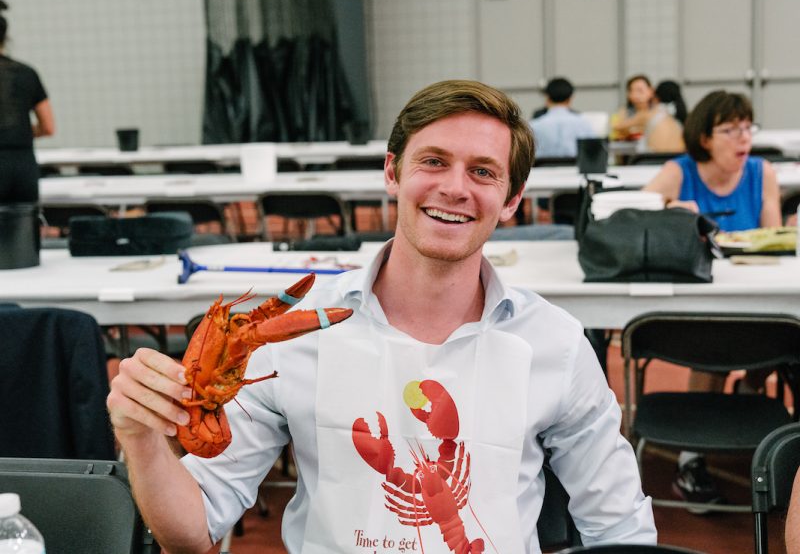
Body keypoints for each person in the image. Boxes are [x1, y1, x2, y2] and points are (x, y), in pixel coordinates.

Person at [107, 79, 657, 553]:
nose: (455, 188)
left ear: (512, 199)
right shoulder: (285, 337)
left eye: (483, 172)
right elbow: (192, 528)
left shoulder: (554, 343)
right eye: (434, 161)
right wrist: (142, 439)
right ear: (392, 171)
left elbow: (620, 527)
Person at [644, 89, 781, 509]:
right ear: (704, 136)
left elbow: (775, 242)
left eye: (747, 128)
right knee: (711, 345)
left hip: (753, 298)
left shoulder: (762, 172)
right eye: (730, 129)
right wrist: (667, 210)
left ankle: (752, 400)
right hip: (697, 305)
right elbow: (632, 219)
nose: (743, 138)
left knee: (778, 340)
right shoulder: (678, 171)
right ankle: (690, 458)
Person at [0, 0, 55, 203]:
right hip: (22, 165)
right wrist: (19, 130)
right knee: (23, 230)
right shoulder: (27, 73)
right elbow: (48, 127)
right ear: (5, 37)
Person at [530, 77, 596, 157]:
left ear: (548, 98)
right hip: (574, 168)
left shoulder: (533, 126)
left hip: (542, 169)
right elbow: (593, 153)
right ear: (570, 99)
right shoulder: (584, 124)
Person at [610, 74, 654, 142]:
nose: (636, 95)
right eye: (632, 91)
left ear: (651, 91)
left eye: (640, 91)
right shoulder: (624, 110)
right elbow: (616, 127)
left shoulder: (656, 109)